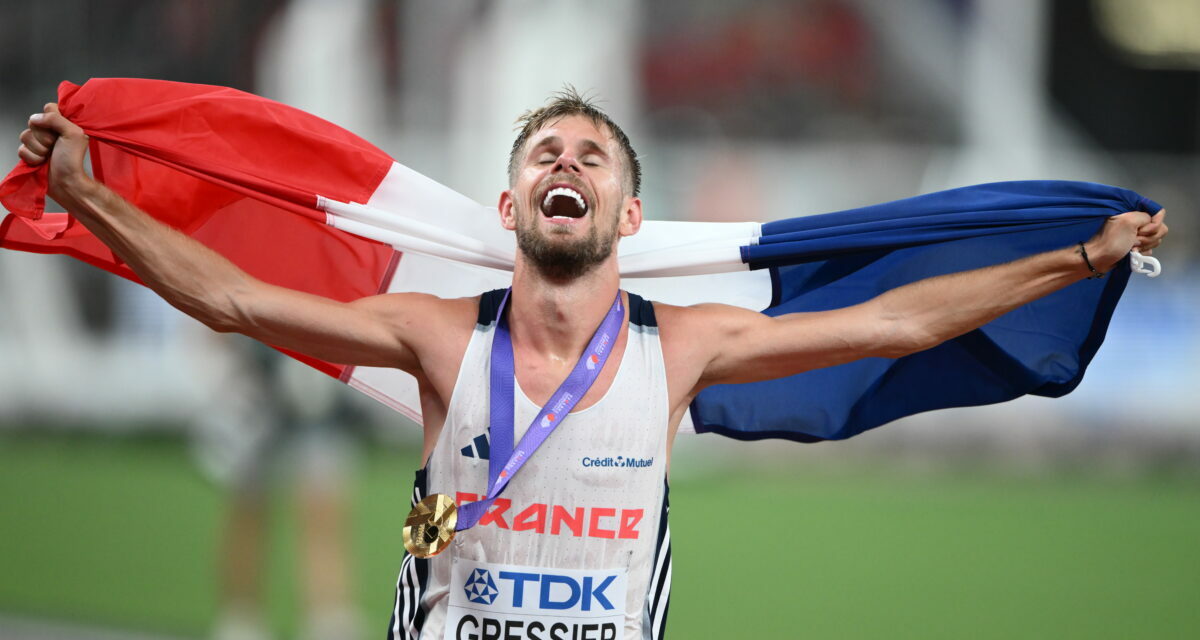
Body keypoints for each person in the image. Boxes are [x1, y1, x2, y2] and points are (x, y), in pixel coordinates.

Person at [18, 89, 1167, 640]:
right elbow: (229, 294)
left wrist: (1075, 253)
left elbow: (900, 323)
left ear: (626, 215)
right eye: (547, 155)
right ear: (512, 203)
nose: (570, 164)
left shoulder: (685, 348)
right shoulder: (433, 332)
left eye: (593, 157)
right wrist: (87, 197)